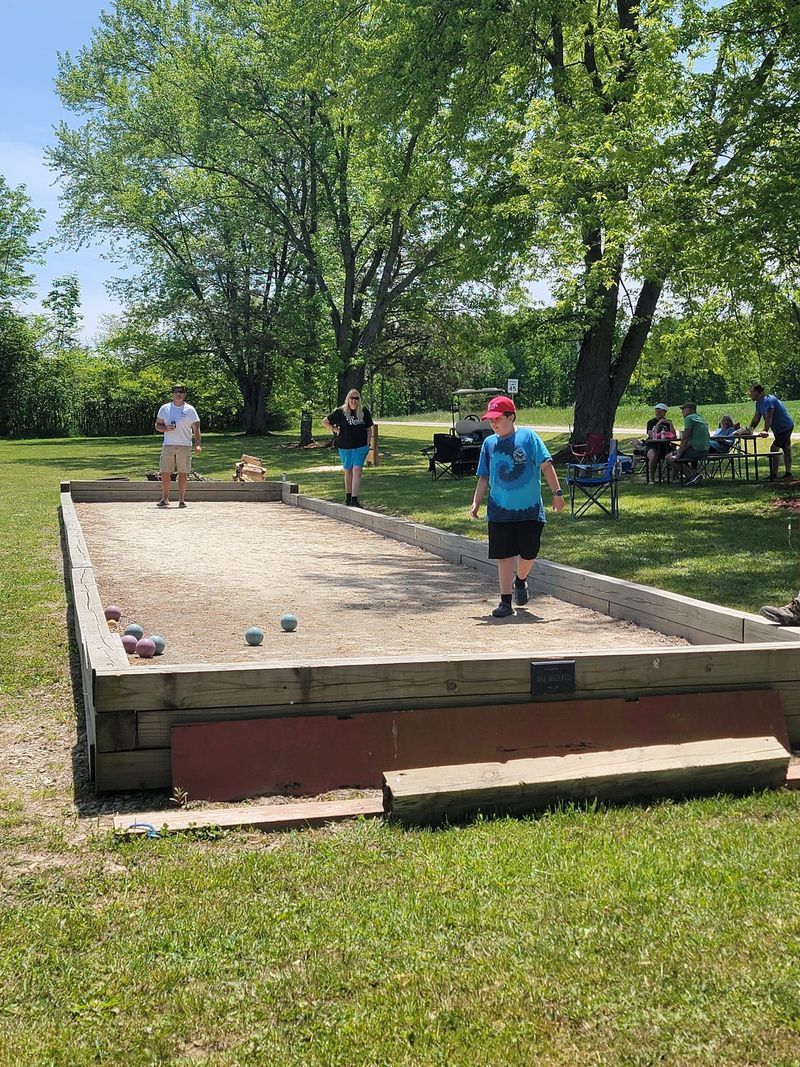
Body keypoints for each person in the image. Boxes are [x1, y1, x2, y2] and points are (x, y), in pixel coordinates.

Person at [469, 395, 564, 619]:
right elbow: (484, 476)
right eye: (490, 420)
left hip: (529, 509)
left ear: (511, 417)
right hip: (499, 510)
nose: (493, 424)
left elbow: (546, 465)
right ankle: (505, 601)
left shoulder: (528, 437)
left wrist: (557, 493)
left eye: (497, 419)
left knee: (529, 552)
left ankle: (520, 581)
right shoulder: (489, 444)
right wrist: (476, 501)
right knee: (504, 555)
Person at [322, 389, 375, 507]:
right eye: (352, 398)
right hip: (345, 446)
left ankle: (355, 499)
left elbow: (368, 428)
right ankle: (348, 497)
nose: (354, 401)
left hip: (361, 446)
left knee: (357, 470)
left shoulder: (364, 411)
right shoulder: (341, 412)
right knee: (348, 470)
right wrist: (335, 430)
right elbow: (325, 422)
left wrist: (367, 444)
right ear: (348, 399)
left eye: (356, 398)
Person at [155, 384, 201, 508]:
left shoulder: (190, 410)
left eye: (180, 392)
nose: (178, 394)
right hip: (168, 444)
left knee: (183, 472)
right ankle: (165, 499)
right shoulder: (165, 408)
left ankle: (181, 500)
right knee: (165, 472)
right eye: (176, 392)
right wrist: (166, 428)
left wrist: (197, 444)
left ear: (184, 394)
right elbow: (157, 425)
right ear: (172, 394)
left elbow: (196, 429)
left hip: (184, 445)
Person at [744, 384, 794, 479]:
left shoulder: (768, 400)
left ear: (760, 393)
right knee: (786, 448)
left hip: (784, 426)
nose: (750, 393)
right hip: (778, 428)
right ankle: (788, 473)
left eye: (752, 391)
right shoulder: (758, 403)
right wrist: (749, 429)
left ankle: (774, 474)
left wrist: (765, 430)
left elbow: (769, 416)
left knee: (774, 449)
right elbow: (756, 418)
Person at [666, 402, 710, 485]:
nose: (682, 412)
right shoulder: (701, 418)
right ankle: (677, 479)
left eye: (683, 409)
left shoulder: (689, 418)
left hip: (696, 450)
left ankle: (692, 476)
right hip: (706, 451)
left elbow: (685, 438)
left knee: (669, 457)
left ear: (689, 410)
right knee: (678, 455)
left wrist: (678, 454)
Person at [641, 402, 676, 483]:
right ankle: (651, 479)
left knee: (676, 456)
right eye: (656, 411)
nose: (658, 412)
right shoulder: (651, 422)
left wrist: (670, 423)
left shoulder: (668, 422)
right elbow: (651, 434)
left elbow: (673, 435)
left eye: (660, 411)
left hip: (665, 446)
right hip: (652, 446)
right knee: (653, 455)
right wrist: (659, 423)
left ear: (665, 412)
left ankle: (673, 478)